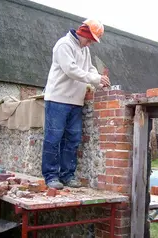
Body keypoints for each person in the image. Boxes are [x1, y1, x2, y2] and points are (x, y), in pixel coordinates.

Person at [42, 19, 110, 189]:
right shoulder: (63, 45)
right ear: (84, 32)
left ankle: (67, 176)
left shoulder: (85, 50)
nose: (92, 42)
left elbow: (90, 69)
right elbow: (71, 70)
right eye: (91, 39)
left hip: (76, 101)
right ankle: (51, 176)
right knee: (53, 139)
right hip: (58, 99)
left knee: (73, 139)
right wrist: (95, 78)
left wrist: (98, 81)